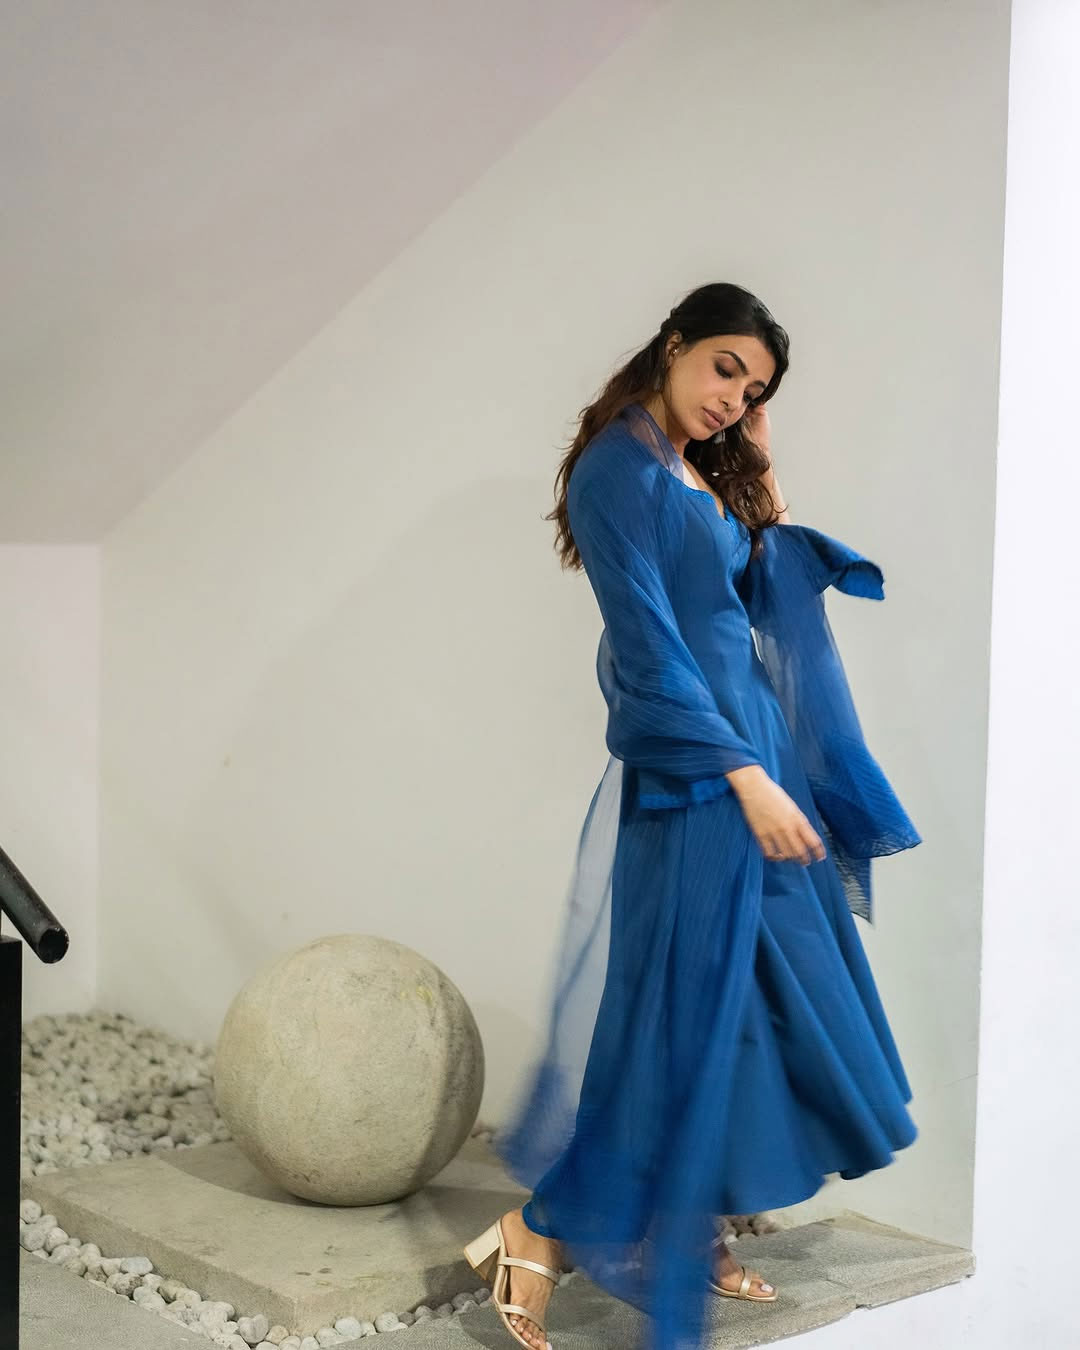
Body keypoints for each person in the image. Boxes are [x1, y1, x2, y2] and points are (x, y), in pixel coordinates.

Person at [463, 282, 921, 1350]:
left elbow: (755, 597)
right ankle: (538, 1231)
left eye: (752, 389)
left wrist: (761, 471)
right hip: (703, 775)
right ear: (673, 345)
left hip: (756, 760)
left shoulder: (693, 472)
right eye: (725, 368)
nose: (733, 397)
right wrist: (741, 777)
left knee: (763, 1000)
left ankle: (692, 1221)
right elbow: (648, 649)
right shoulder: (615, 471)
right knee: (681, 1016)